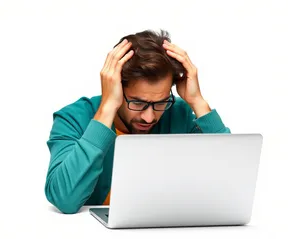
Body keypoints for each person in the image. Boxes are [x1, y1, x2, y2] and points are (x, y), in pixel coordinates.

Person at [44, 29, 231, 214]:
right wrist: (108, 107)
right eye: (138, 103)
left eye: (161, 102)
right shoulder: (73, 118)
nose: (149, 117)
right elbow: (64, 199)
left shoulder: (177, 113)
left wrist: (197, 101)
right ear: (115, 87)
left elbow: (231, 182)